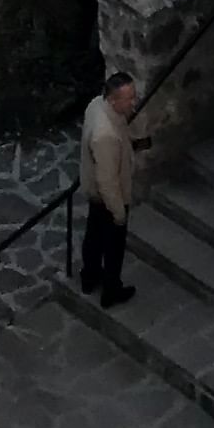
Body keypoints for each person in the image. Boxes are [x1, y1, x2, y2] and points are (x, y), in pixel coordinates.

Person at [77, 69, 139, 303]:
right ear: (113, 100)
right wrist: (119, 212)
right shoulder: (106, 135)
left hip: (94, 189)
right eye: (129, 98)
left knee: (93, 236)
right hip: (108, 197)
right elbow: (107, 180)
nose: (134, 102)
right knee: (113, 245)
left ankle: (89, 277)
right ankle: (111, 290)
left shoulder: (96, 105)